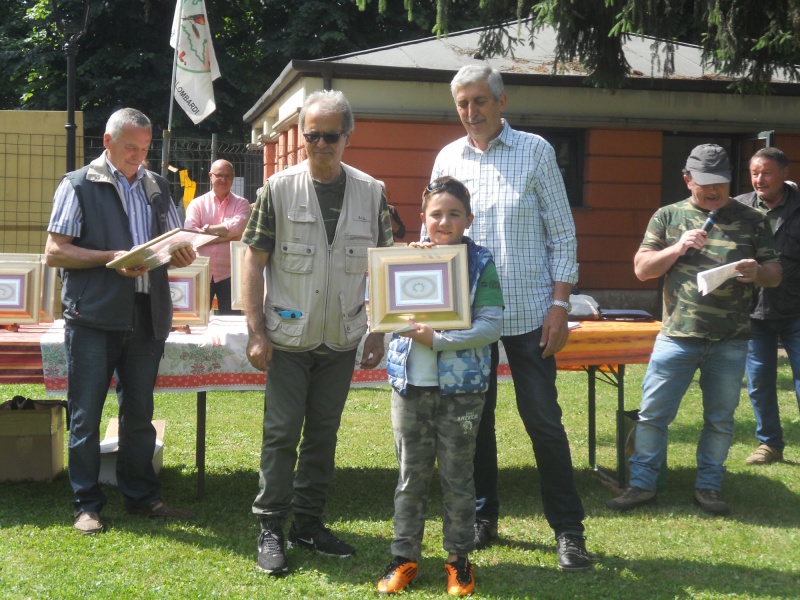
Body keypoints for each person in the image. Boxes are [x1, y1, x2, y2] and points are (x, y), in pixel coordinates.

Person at [431, 65, 591, 572]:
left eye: (479, 101)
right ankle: (484, 518)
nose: (471, 112)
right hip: (468, 316)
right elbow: (438, 228)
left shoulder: (536, 151)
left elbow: (562, 234)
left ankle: (568, 531)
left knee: (543, 421)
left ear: (501, 102)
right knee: (475, 424)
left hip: (529, 313)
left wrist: (560, 305)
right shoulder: (448, 157)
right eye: (462, 103)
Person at [241, 89, 394, 575]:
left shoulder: (372, 192)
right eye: (312, 135)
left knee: (323, 435)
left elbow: (385, 266)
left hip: (342, 338)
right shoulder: (276, 189)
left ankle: (308, 524)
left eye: (331, 135)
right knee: (282, 433)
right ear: (302, 136)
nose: (321, 144)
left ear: (348, 136)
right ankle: (271, 526)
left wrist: (379, 329)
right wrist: (255, 331)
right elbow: (253, 261)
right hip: (287, 338)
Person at [607, 144, 781, 516]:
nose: (714, 190)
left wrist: (757, 272)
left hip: (731, 339)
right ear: (688, 180)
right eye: (705, 183)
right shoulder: (668, 216)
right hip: (677, 336)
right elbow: (642, 269)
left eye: (720, 182)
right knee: (654, 414)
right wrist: (676, 249)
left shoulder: (752, 219)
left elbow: (775, 274)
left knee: (719, 419)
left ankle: (709, 487)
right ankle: (642, 485)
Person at [44, 108, 196, 535]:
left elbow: (173, 243)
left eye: (145, 148)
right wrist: (111, 258)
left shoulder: (157, 185)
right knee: (85, 414)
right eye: (131, 147)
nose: (139, 156)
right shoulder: (77, 184)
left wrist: (182, 253)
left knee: (139, 413)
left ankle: (142, 496)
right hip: (93, 316)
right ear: (108, 142)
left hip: (147, 315)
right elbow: (55, 252)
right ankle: (86, 504)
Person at [376, 177, 504, 596]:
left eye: (454, 214)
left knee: (458, 477)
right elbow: (381, 310)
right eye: (436, 214)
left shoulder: (481, 262)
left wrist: (439, 340)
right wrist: (405, 270)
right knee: (409, 477)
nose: (444, 222)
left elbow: (491, 326)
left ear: (469, 219)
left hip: (461, 389)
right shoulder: (403, 258)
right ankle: (404, 558)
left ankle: (458, 560)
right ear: (423, 218)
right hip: (410, 385)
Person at [735, 147, 800, 465]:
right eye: (755, 173)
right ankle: (769, 444)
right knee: (759, 382)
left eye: (767, 172)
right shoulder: (738, 208)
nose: (759, 179)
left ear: (785, 174)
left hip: (797, 311)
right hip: (755, 311)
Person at [184, 159, 251, 315]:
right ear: (210, 176)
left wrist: (206, 229)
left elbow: (238, 228)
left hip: (230, 273)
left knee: (231, 322)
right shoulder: (197, 204)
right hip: (201, 271)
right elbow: (191, 234)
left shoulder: (241, 204)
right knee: (197, 321)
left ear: (233, 177)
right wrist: (227, 235)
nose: (223, 180)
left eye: (228, 176)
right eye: (219, 175)